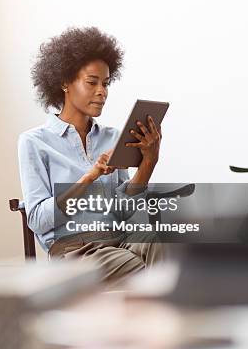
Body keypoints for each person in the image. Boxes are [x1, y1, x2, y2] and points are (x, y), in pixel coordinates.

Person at [18, 27, 163, 285]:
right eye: (92, 82)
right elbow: (39, 221)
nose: (102, 92)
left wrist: (148, 163)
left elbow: (124, 213)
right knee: (139, 268)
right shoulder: (34, 142)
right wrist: (89, 178)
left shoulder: (113, 137)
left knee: (165, 248)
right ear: (64, 82)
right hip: (74, 251)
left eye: (106, 84)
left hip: (119, 240)